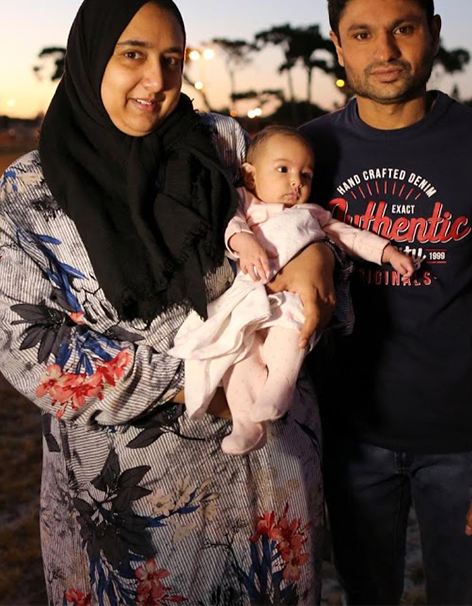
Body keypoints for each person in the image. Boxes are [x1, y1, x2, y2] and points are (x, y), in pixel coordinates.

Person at [0, 0, 336, 606]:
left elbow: (289, 214)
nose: (157, 79)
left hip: (261, 480)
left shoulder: (222, 146)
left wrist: (317, 259)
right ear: (90, 59)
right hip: (127, 505)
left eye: (173, 60)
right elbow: (27, 348)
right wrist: (193, 371)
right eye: (133, 55)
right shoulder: (28, 194)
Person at [301, 0, 472, 604]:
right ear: (337, 45)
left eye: (404, 28)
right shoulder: (307, 152)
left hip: (464, 442)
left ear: (434, 32)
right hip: (347, 436)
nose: (385, 50)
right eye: (362, 34)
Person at [171, 125, 415, 455]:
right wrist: (244, 242)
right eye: (283, 169)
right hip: (249, 297)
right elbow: (231, 223)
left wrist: (389, 252)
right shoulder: (245, 204)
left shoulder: (311, 214)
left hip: (289, 300)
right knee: (239, 356)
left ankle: (279, 388)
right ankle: (245, 424)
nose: (296, 181)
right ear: (250, 176)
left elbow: (351, 237)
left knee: (292, 331)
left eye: (306, 174)